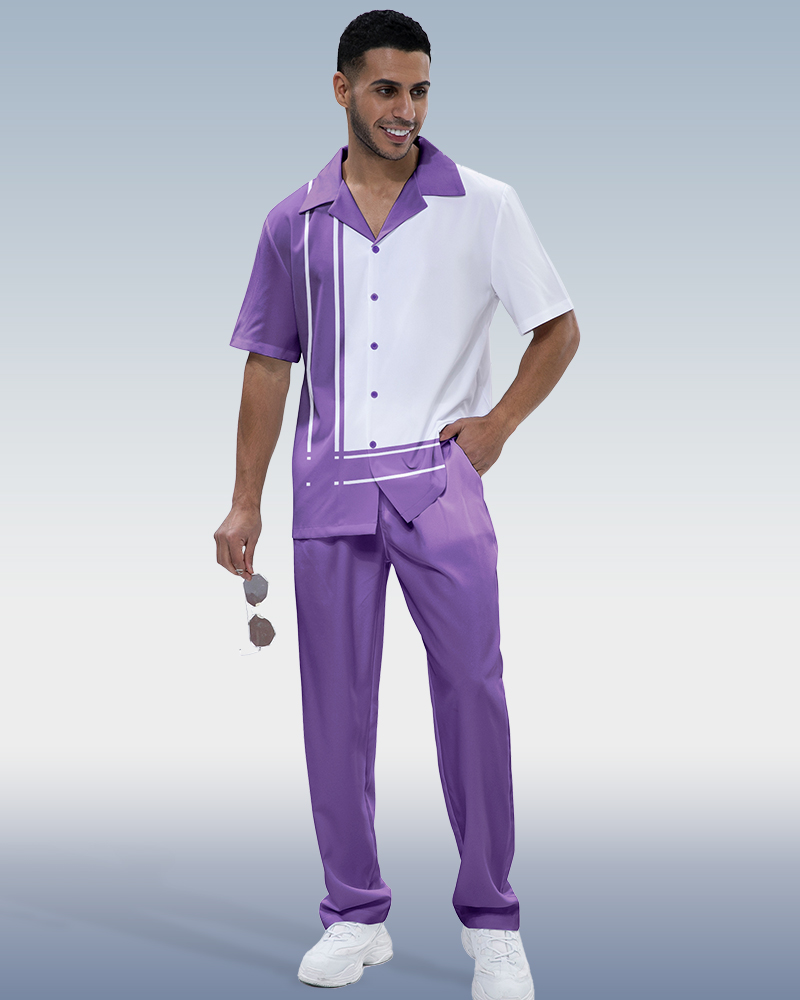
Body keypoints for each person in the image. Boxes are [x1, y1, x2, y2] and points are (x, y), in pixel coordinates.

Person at [214, 9, 579, 997]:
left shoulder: (484, 204)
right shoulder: (291, 221)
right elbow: (267, 363)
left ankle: (492, 924)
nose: (404, 109)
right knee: (333, 711)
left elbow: (557, 327)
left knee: (473, 696)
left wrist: (497, 425)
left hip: (439, 486)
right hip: (328, 489)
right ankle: (353, 914)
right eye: (385, 89)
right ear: (342, 90)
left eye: (418, 91)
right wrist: (243, 501)